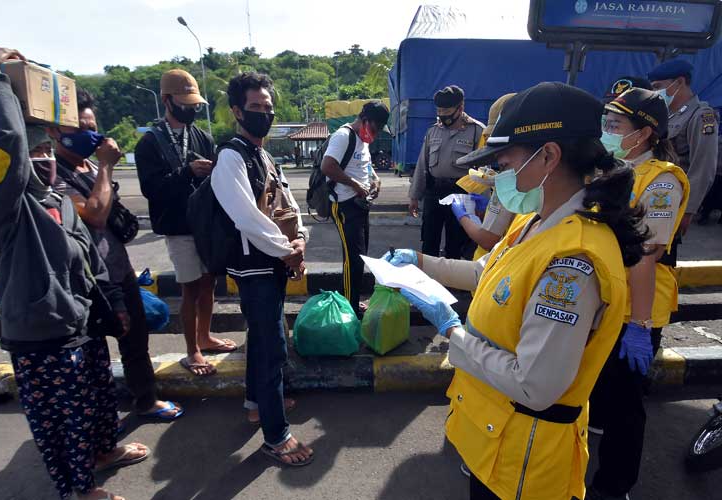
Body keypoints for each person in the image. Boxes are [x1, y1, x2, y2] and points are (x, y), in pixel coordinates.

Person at [384, 82, 648, 500]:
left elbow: (535, 386)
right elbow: (486, 273)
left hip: (526, 459)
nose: (496, 175)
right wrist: (420, 262)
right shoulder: (535, 222)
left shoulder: (573, 263)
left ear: (548, 156)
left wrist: (453, 331)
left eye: (503, 164)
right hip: (497, 439)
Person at [0, 45, 148, 500]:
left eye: (49, 148)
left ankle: (104, 451)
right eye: (37, 151)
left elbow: (89, 261)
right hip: (40, 331)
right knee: (61, 418)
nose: (46, 159)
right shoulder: (5, 203)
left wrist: (115, 307)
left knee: (97, 397)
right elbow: (6, 141)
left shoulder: (59, 201)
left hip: (80, 322)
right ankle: (76, 489)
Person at [48, 89, 183, 419]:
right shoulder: (53, 175)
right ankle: (98, 422)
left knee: (135, 339)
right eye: (79, 128)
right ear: (54, 132)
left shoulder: (90, 166)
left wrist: (101, 169)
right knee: (93, 351)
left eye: (92, 126)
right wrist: (107, 168)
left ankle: (145, 400)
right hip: (87, 279)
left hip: (117, 267)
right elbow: (93, 215)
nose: (89, 134)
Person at [587, 88, 689, 500]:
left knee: (627, 406)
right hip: (604, 296)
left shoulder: (660, 180)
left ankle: (613, 487)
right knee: (600, 390)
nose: (607, 131)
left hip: (638, 306)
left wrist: (639, 325)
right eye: (606, 124)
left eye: (615, 125)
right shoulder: (607, 168)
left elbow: (646, 256)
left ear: (645, 133)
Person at [211, 71, 314, 465]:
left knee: (263, 339)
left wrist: (300, 237)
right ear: (238, 111)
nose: (264, 113)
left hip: (272, 261)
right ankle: (276, 435)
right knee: (272, 348)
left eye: (268, 107)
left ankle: (256, 403)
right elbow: (246, 217)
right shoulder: (231, 156)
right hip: (253, 266)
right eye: (256, 107)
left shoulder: (264, 155)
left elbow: (287, 200)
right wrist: (286, 251)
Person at [135, 69, 236, 377]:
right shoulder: (149, 143)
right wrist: (187, 172)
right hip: (177, 226)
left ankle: (205, 336)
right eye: (186, 103)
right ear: (167, 101)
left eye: (195, 104)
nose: (192, 109)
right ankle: (192, 350)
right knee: (190, 288)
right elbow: (151, 190)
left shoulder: (201, 137)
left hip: (204, 224)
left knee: (209, 284)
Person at [320, 101, 389, 315]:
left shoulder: (363, 140)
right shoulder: (343, 136)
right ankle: (349, 308)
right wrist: (355, 185)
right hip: (343, 205)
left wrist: (375, 180)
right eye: (374, 129)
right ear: (365, 119)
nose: (374, 136)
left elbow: (364, 166)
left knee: (358, 257)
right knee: (354, 258)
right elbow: (328, 166)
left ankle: (349, 299)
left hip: (359, 204)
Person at [409, 85, 485, 259]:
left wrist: (481, 204)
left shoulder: (477, 131)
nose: (443, 115)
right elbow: (423, 165)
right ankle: (428, 282)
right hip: (434, 192)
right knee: (429, 241)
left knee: (456, 243)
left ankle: (453, 284)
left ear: (461, 107)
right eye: (440, 111)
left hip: (461, 194)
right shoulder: (433, 131)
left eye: (447, 110)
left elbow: (483, 171)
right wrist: (414, 196)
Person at [649, 59, 718, 236]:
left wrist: (687, 210)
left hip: (675, 202)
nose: (656, 92)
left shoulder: (701, 116)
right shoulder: (667, 114)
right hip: (655, 197)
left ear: (679, 82)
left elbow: (703, 166)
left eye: (658, 86)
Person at [451, 93, 516, 261]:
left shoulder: (510, 185)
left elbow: (487, 239)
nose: (499, 159)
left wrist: (463, 216)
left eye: (504, 149)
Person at [698, 109, 722, 225]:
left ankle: (706, 214)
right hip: (715, 171)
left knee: (713, 195)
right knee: (711, 196)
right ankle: (705, 214)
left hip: (716, 171)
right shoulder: (716, 138)